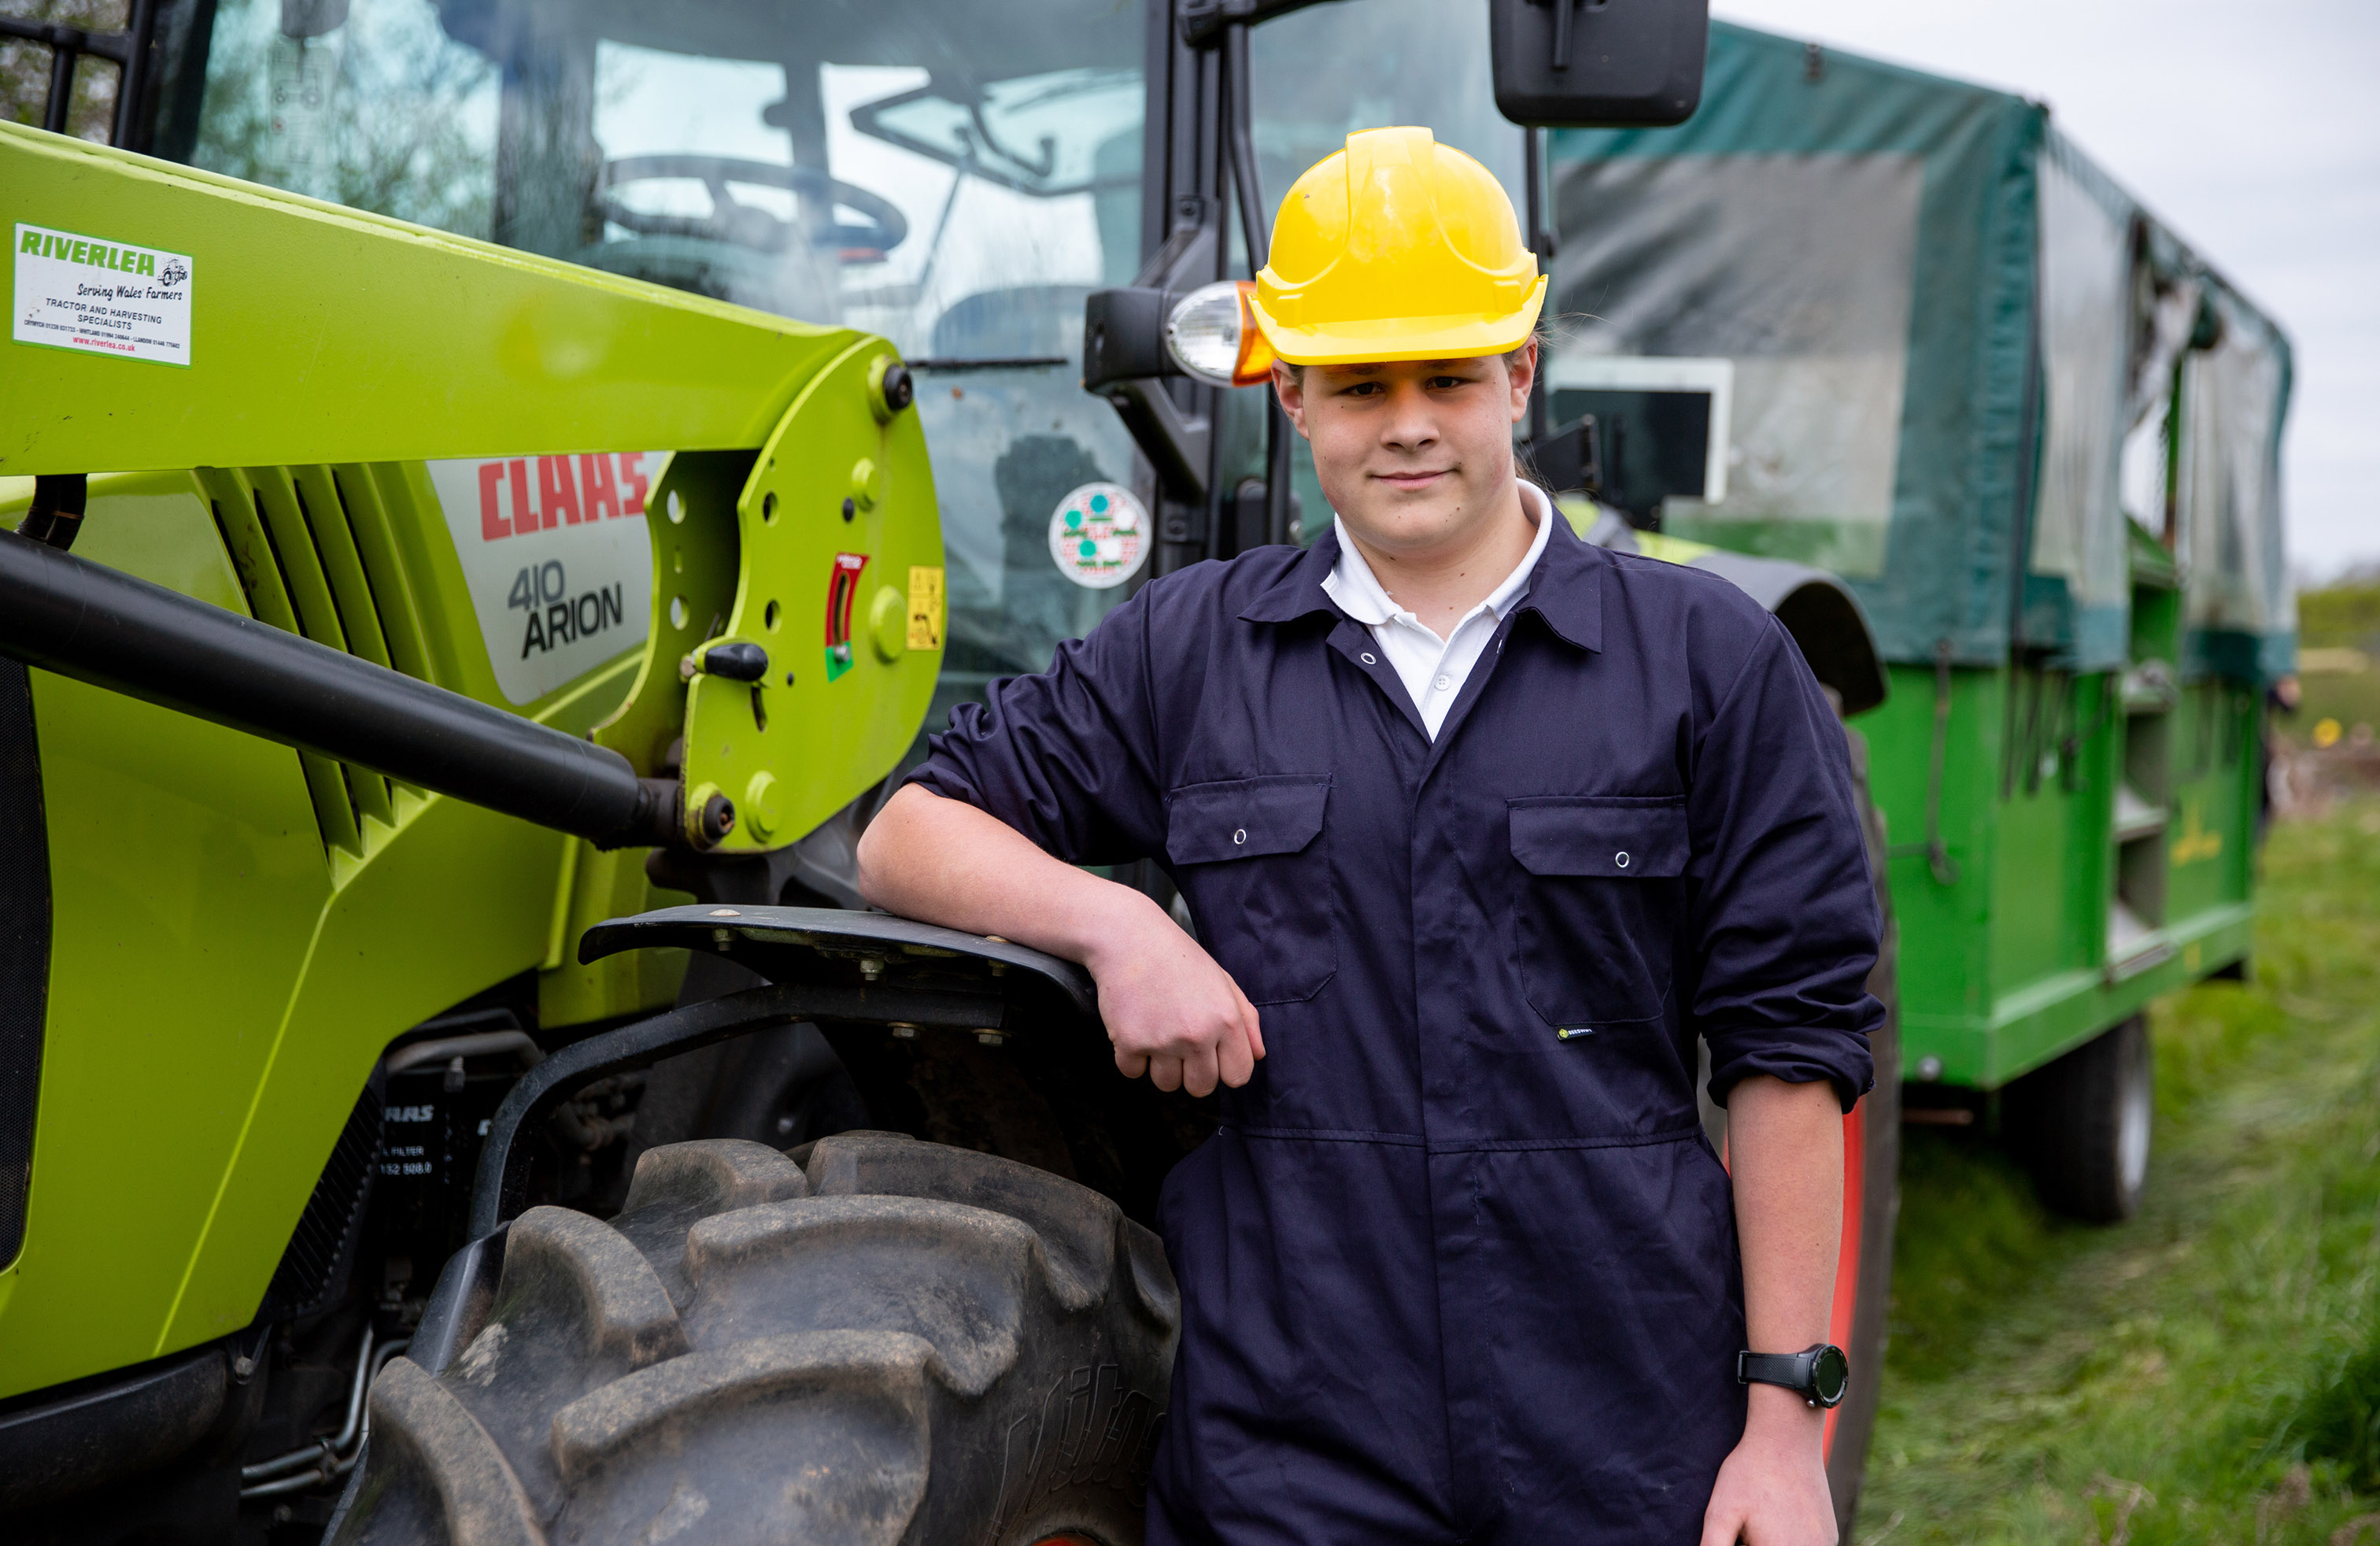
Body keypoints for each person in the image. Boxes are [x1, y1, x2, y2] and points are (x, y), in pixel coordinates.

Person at [858, 126, 1881, 1546]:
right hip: (1292, 1449)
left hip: (1626, 1439)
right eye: (1357, 383)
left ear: (1520, 373)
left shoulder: (1709, 660)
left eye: (1448, 376)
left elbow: (1792, 1057)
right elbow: (905, 832)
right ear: (1289, 396)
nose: (1406, 422)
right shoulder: (1192, 649)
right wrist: (1117, 922)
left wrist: (1783, 1432)